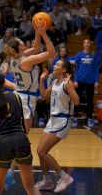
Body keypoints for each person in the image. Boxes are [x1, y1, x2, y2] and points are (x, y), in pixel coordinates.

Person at [6, 20, 56, 187]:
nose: (23, 43)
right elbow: (51, 52)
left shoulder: (15, 58)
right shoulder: (25, 61)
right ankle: (9, 170)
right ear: (20, 48)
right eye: (21, 43)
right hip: (25, 100)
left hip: (18, 96)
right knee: (21, 137)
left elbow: (35, 48)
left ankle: (9, 167)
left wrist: (37, 30)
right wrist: (43, 34)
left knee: (18, 135)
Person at [0, 71, 40, 195]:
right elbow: (22, 123)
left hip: (2, 145)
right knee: (31, 187)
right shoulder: (16, 97)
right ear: (4, 82)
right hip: (21, 141)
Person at [36, 60, 80, 193]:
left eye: (58, 65)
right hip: (53, 120)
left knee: (43, 152)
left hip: (62, 120)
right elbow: (44, 96)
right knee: (39, 151)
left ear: (64, 71)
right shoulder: (55, 82)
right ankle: (46, 181)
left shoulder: (68, 83)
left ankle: (64, 177)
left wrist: (69, 85)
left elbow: (77, 101)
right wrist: (41, 80)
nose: (54, 66)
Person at [68, 39, 100, 128]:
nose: (86, 44)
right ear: (83, 45)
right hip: (80, 81)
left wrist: (96, 81)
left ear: (90, 44)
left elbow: (96, 69)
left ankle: (89, 117)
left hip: (90, 81)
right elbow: (76, 69)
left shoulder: (94, 55)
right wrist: (75, 80)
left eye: (88, 42)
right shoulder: (79, 55)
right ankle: (75, 116)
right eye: (85, 42)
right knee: (77, 99)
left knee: (90, 100)